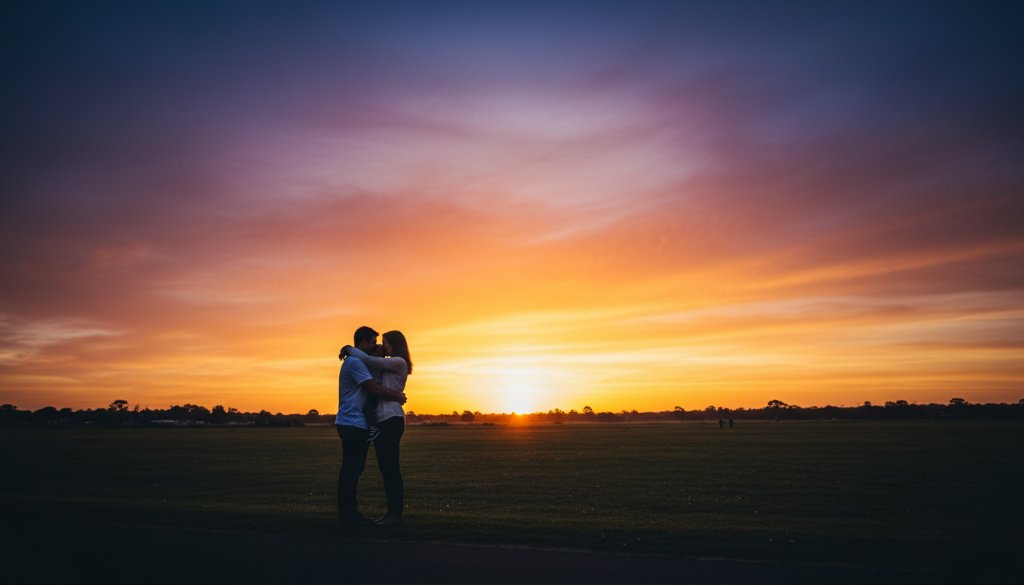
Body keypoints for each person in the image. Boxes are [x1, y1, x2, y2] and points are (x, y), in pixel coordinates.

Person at [336, 326, 407, 530]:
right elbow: (372, 387)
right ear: (364, 342)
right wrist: (397, 396)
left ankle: (383, 515)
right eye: (375, 342)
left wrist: (348, 348)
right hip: (354, 422)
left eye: (383, 343)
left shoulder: (394, 362)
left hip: (378, 420)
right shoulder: (357, 362)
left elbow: (374, 370)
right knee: (354, 470)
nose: (379, 346)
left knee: (383, 469)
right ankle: (350, 516)